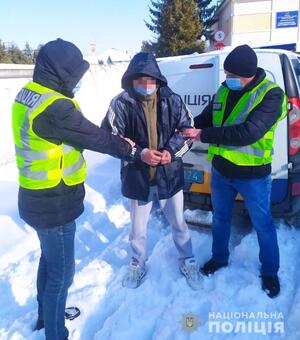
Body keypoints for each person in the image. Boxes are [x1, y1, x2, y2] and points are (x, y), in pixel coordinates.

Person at [12, 38, 138, 340]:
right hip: (53, 201)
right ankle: (56, 333)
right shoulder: (54, 107)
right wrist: (127, 148)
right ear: (61, 73)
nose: (79, 81)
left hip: (36, 195)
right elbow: (92, 137)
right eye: (75, 75)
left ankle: (46, 317)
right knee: (62, 274)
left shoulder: (31, 94)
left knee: (48, 261)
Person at [183, 45, 287, 298]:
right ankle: (219, 258)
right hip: (221, 171)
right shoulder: (224, 89)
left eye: (232, 75)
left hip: (253, 175)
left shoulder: (271, 96)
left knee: (262, 224)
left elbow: (249, 133)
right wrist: (187, 127)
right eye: (226, 74)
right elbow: (206, 118)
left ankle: (270, 271)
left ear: (248, 74)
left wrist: (203, 135)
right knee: (220, 218)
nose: (227, 79)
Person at [101, 52, 202, 290]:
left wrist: (171, 152)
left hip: (169, 174)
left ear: (158, 79)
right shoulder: (120, 103)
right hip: (137, 175)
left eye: (151, 80)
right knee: (137, 229)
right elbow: (111, 139)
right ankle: (137, 262)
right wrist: (140, 153)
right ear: (131, 80)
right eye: (140, 80)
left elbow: (188, 131)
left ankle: (187, 260)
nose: (146, 86)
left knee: (179, 223)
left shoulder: (172, 100)